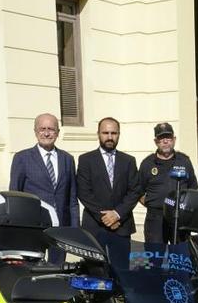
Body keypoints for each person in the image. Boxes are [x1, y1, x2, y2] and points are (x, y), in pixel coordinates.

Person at [10, 113, 79, 264]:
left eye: (51, 129)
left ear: (58, 133)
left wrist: (74, 229)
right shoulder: (22, 158)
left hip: (60, 228)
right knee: (32, 272)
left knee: (57, 270)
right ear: (35, 131)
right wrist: (16, 230)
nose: (46, 133)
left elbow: (72, 199)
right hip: (33, 227)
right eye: (42, 129)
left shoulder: (67, 159)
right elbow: (15, 196)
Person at [76, 117, 140, 246]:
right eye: (105, 133)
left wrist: (117, 214)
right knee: (95, 266)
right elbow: (83, 192)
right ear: (98, 134)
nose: (110, 137)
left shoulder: (128, 161)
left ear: (119, 134)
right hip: (94, 227)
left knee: (121, 266)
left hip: (121, 225)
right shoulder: (85, 160)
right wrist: (106, 218)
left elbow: (135, 191)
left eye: (114, 133)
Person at [138, 122, 198, 244]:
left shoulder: (184, 161)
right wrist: (153, 205)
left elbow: (193, 189)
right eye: (161, 138)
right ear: (156, 141)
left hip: (180, 217)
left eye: (168, 137)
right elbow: (138, 191)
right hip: (155, 219)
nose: (165, 141)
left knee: (180, 257)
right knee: (155, 257)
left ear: (174, 139)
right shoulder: (147, 163)